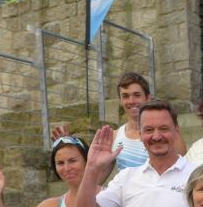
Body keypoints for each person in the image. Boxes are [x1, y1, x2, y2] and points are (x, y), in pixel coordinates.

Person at [53, 72, 187, 174]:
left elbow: (180, 166)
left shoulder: (164, 134)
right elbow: (97, 178)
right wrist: (68, 146)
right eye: (126, 96)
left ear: (148, 98)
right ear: (120, 101)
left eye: (137, 95)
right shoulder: (114, 136)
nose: (131, 101)